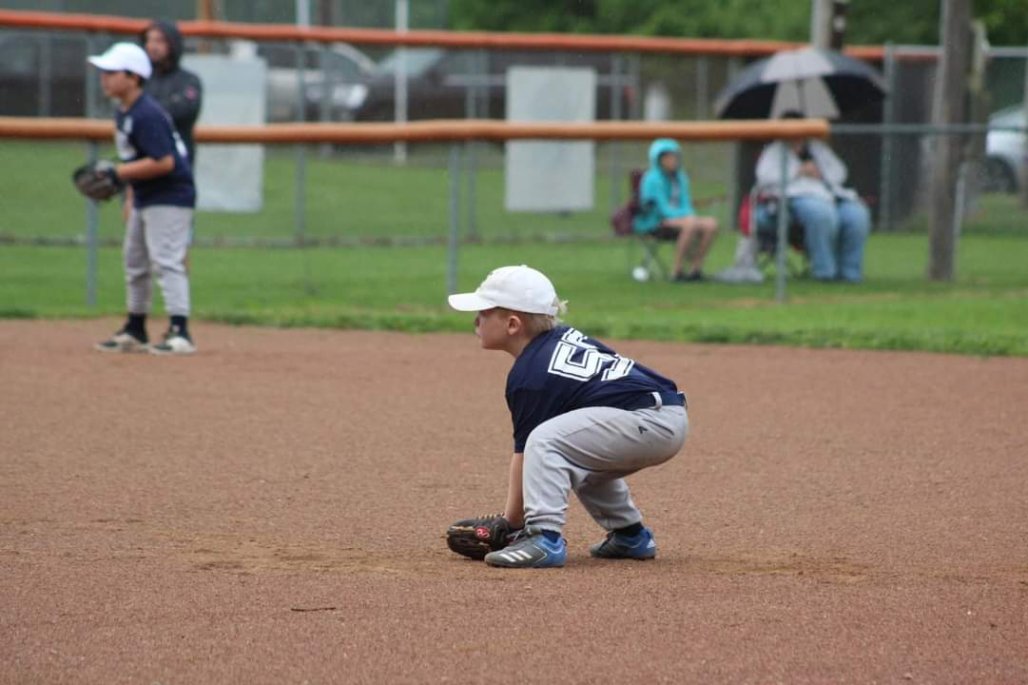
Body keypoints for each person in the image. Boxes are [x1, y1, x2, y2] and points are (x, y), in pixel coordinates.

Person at [447, 265, 689, 568]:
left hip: (647, 419)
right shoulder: (557, 342)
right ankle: (631, 535)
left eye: (484, 312)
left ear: (512, 324)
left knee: (544, 441)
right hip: (661, 416)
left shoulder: (531, 376)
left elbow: (526, 454)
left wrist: (511, 523)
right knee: (577, 455)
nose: (475, 319)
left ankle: (543, 538)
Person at [87, 42, 198, 355]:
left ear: (133, 77)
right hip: (146, 194)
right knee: (134, 261)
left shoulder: (146, 113)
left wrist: (118, 173)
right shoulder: (125, 111)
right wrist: (130, 194)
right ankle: (135, 328)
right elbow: (137, 158)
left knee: (166, 260)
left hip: (170, 196)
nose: (104, 78)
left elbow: (164, 162)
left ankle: (180, 331)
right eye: (103, 72)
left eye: (112, 72)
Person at [754, 111, 870, 282]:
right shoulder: (774, 151)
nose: (795, 135)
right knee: (821, 212)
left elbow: (840, 172)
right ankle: (825, 273)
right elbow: (764, 177)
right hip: (794, 199)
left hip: (830, 194)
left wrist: (820, 172)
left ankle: (850, 273)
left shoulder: (817, 149)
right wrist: (798, 171)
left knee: (857, 214)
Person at [633, 138, 719, 282]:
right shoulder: (652, 179)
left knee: (711, 224)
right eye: (668, 157)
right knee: (690, 224)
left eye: (674, 157)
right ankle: (677, 270)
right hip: (655, 221)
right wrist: (686, 218)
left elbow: (685, 202)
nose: (673, 161)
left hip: (680, 219)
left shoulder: (681, 177)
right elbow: (662, 208)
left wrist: (689, 215)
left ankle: (695, 269)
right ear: (658, 160)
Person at [140, 20, 202, 164]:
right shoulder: (142, 79)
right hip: (143, 160)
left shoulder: (188, 80)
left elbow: (184, 111)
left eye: (159, 41)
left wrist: (146, 111)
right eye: (149, 40)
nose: (152, 46)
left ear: (173, 43)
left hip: (177, 161)